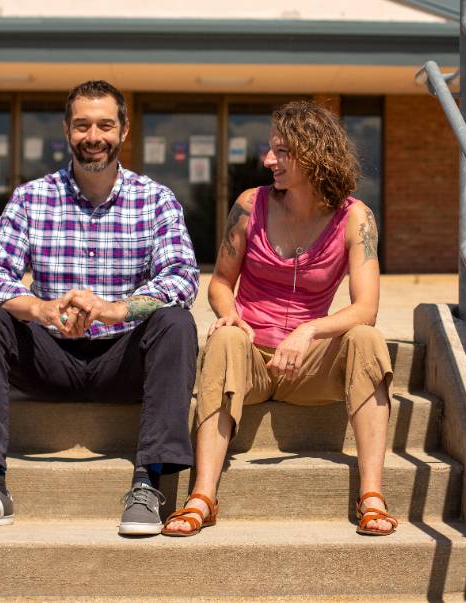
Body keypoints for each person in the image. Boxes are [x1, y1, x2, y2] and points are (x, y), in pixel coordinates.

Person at [0, 80, 200, 537]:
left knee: (176, 323)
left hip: (124, 360)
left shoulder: (155, 199)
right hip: (49, 357)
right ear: (66, 130)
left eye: (104, 125)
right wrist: (39, 308)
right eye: (82, 125)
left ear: (124, 131)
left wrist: (117, 310)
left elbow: (182, 276)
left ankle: (150, 482)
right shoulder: (31, 197)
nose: (92, 136)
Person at [162, 101, 395, 538]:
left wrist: (309, 330)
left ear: (314, 153)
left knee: (366, 337)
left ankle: (371, 496)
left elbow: (366, 307)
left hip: (309, 366)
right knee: (225, 339)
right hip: (250, 357)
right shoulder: (251, 206)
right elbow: (219, 284)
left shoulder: (355, 217)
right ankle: (202, 496)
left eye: (282, 151)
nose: (269, 160)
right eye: (271, 150)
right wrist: (232, 317)